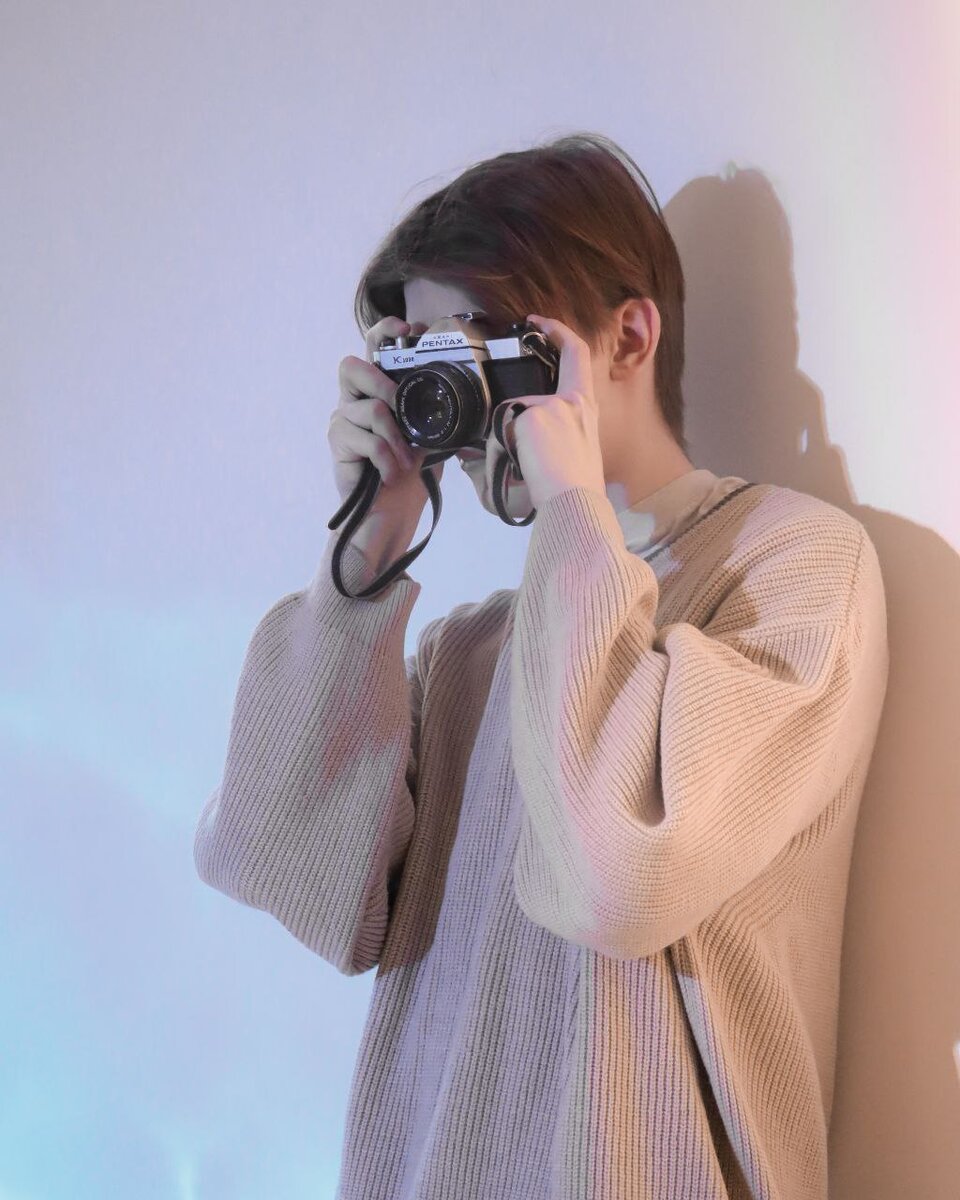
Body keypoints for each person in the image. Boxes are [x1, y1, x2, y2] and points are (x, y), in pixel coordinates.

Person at [193, 132, 889, 1200]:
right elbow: (291, 874)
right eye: (429, 363)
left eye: (488, 351)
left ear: (628, 337)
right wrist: (364, 562)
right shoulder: (471, 648)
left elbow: (618, 877)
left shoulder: (792, 568)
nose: (471, 409)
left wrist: (570, 505)